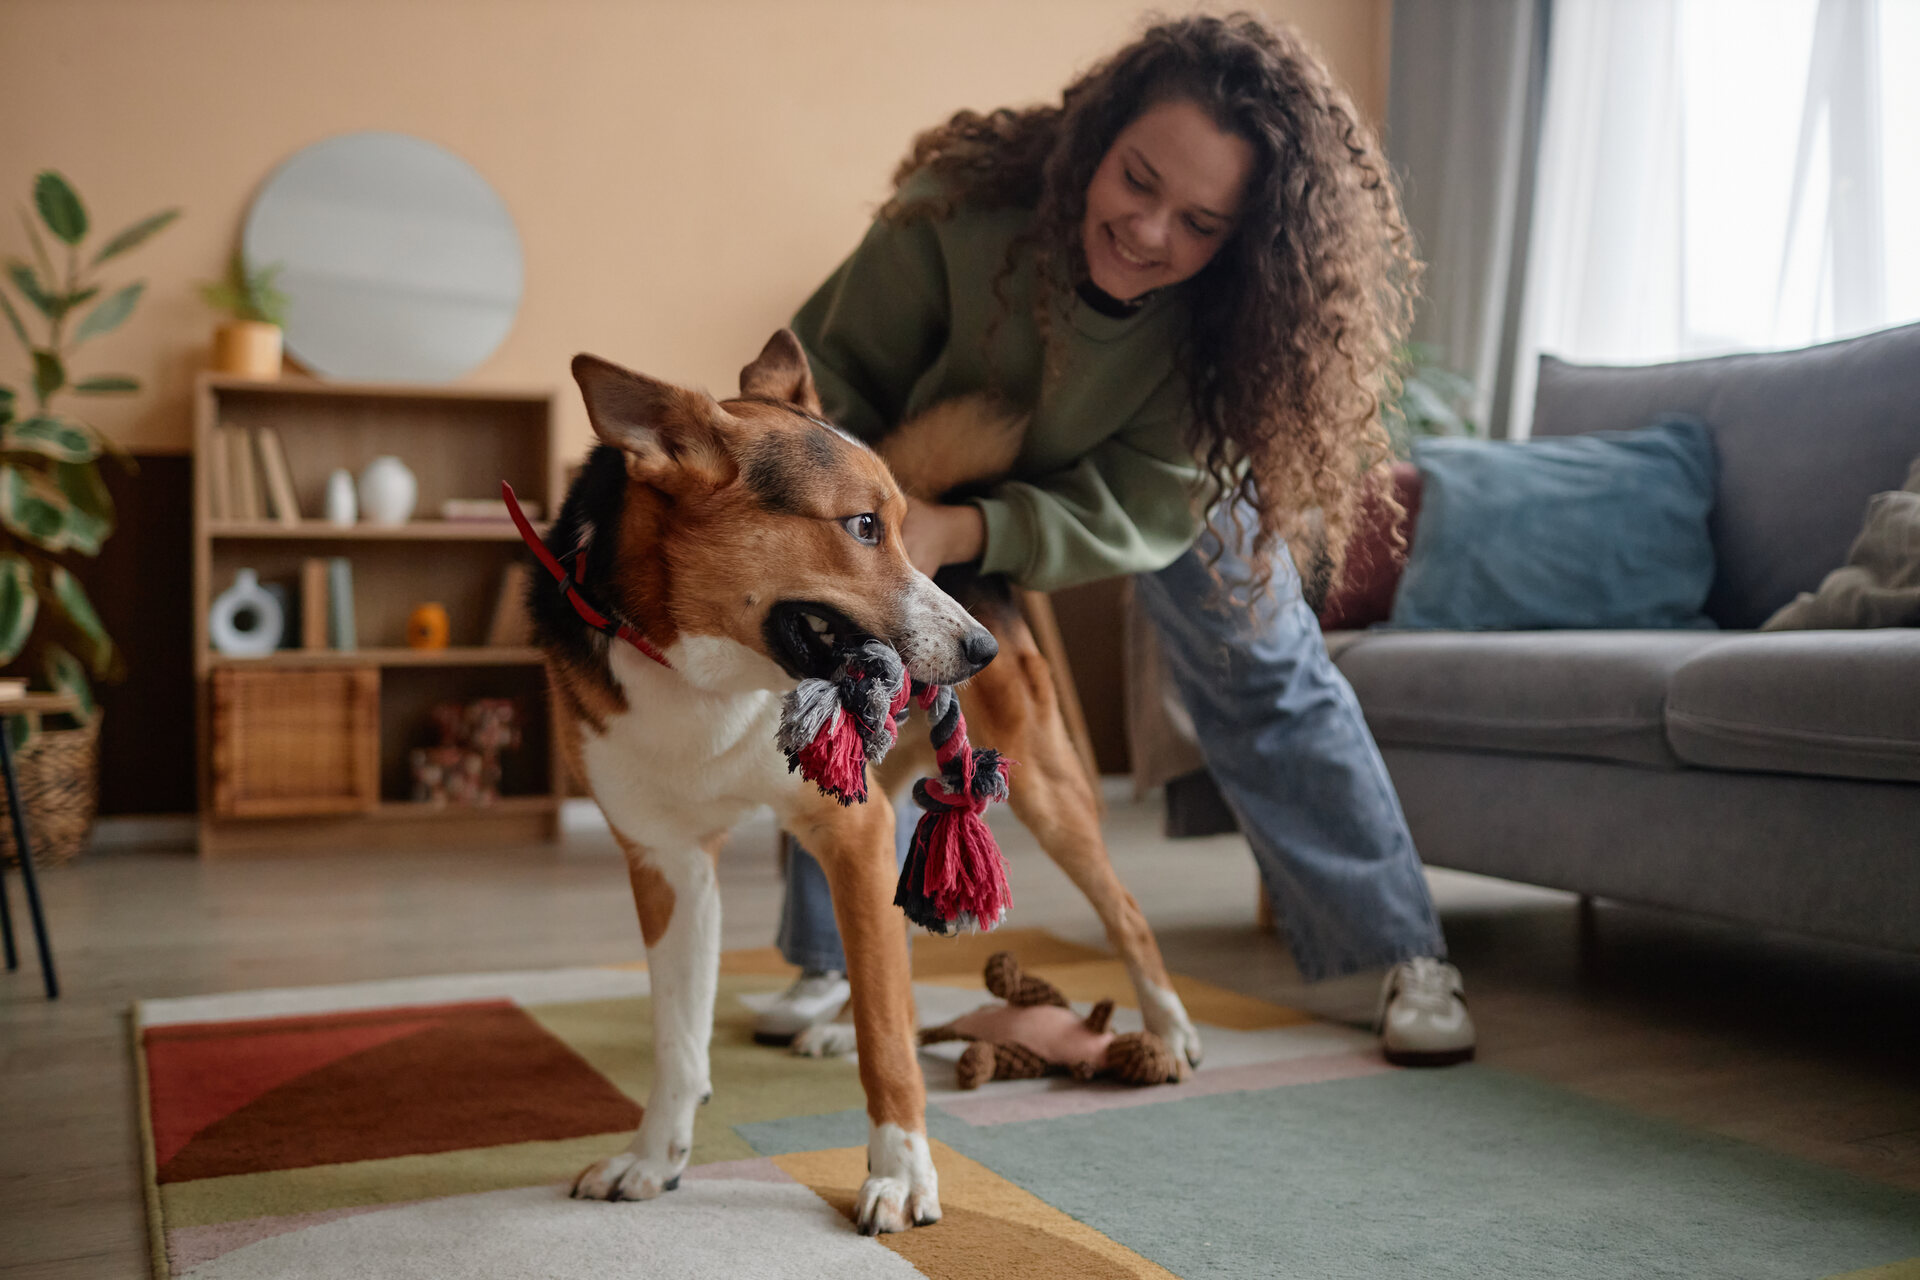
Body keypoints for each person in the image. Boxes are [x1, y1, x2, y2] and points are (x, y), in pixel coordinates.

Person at [751, 12, 1474, 1067]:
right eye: (1138, 182)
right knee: (844, 649)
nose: (1149, 234)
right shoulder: (950, 217)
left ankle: (1399, 948)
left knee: (1266, 663)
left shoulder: (1233, 322)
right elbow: (826, 391)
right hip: (928, 461)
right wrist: (892, 525)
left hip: (1160, 480)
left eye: (1199, 222)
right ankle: (837, 954)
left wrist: (984, 527)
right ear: (1094, 141)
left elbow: (1143, 497)